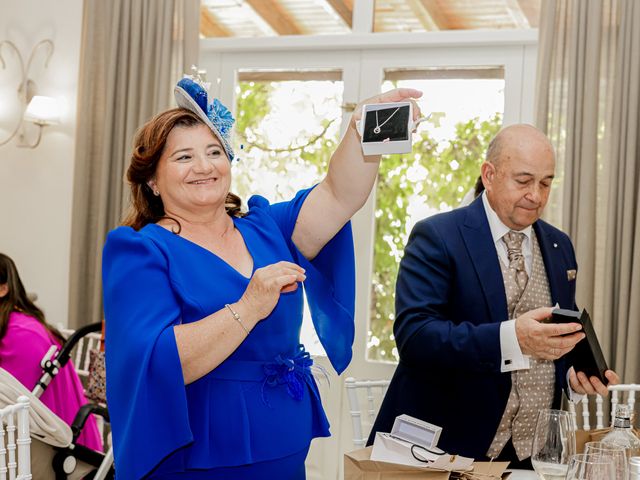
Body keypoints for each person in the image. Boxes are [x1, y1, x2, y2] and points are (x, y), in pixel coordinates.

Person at [102, 71, 422, 480]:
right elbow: (159, 361)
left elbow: (339, 195)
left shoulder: (268, 227)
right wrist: (249, 306)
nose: (204, 166)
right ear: (152, 179)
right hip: (198, 454)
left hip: (283, 444)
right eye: (184, 157)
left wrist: (365, 129)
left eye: (215, 152)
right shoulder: (139, 251)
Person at [368, 124, 620, 468]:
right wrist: (511, 338)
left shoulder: (560, 246)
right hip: (443, 452)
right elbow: (416, 338)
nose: (537, 195)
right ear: (489, 175)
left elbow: (558, 339)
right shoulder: (438, 236)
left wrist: (575, 376)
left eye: (546, 182)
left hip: (528, 458)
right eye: (524, 180)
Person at [0, 253, 103, 451]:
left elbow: (19, 406)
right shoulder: (14, 325)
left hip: (53, 444)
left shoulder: (20, 334)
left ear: (3, 289)